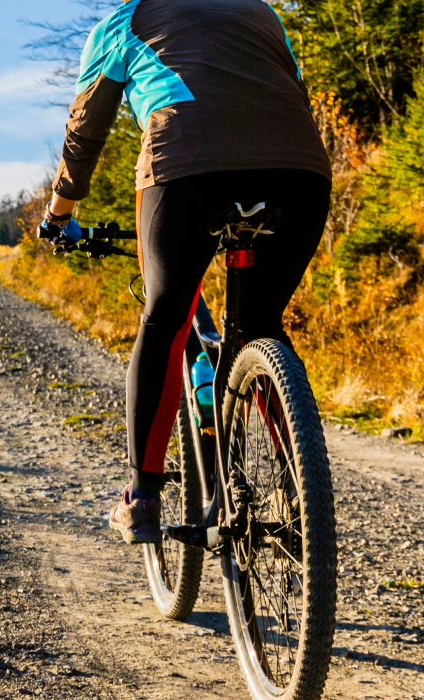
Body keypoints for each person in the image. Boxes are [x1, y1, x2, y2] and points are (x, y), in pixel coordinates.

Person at [39, 0, 332, 543]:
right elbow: (293, 89)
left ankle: (142, 497)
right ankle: (302, 491)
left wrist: (59, 213)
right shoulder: (262, 13)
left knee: (166, 316)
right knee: (262, 324)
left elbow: (85, 133)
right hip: (300, 174)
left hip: (186, 170)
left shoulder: (123, 21)